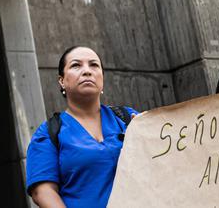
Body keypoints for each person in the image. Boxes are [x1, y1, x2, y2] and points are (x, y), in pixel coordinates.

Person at [26, 46, 137, 208]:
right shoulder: (49, 133)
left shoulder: (129, 118)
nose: (87, 71)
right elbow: (42, 191)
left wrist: (146, 132)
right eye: (76, 65)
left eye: (94, 65)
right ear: (62, 81)